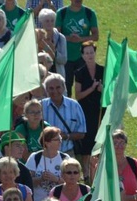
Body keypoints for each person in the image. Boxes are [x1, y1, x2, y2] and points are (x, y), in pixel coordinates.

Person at [74, 40, 103, 177]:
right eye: (87, 53)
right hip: (85, 111)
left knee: (99, 138)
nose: (90, 55)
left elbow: (109, 92)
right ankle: (85, 171)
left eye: (92, 52)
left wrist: (102, 90)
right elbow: (78, 95)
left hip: (99, 111)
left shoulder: (102, 70)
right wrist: (92, 88)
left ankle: (98, 169)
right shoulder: (79, 73)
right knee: (87, 141)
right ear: (83, 55)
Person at [55, 0, 99, 90]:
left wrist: (81, 39)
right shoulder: (61, 13)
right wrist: (68, 38)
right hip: (65, 57)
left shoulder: (89, 13)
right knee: (65, 86)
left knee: (85, 86)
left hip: (83, 57)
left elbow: (96, 36)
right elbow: (56, 35)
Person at [42, 74, 87, 158]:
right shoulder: (41, 105)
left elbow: (82, 132)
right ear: (46, 90)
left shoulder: (74, 105)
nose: (55, 91)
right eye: (51, 88)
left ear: (64, 87)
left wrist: (67, 136)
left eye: (58, 87)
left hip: (68, 152)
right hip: (45, 154)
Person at [25, 126, 69, 201]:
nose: (60, 142)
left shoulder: (65, 158)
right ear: (47, 143)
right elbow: (27, 181)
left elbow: (71, 182)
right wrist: (40, 179)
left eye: (60, 139)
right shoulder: (35, 157)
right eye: (57, 139)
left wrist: (56, 179)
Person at [112, 129, 137, 201]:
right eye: (115, 143)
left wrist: (133, 198)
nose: (119, 145)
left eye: (122, 142)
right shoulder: (106, 164)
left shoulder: (134, 163)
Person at [37, 8, 67, 81]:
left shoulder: (61, 38)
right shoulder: (37, 37)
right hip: (41, 75)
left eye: (52, 21)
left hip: (57, 73)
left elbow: (63, 60)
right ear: (41, 22)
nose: (50, 23)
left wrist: (51, 49)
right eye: (47, 21)